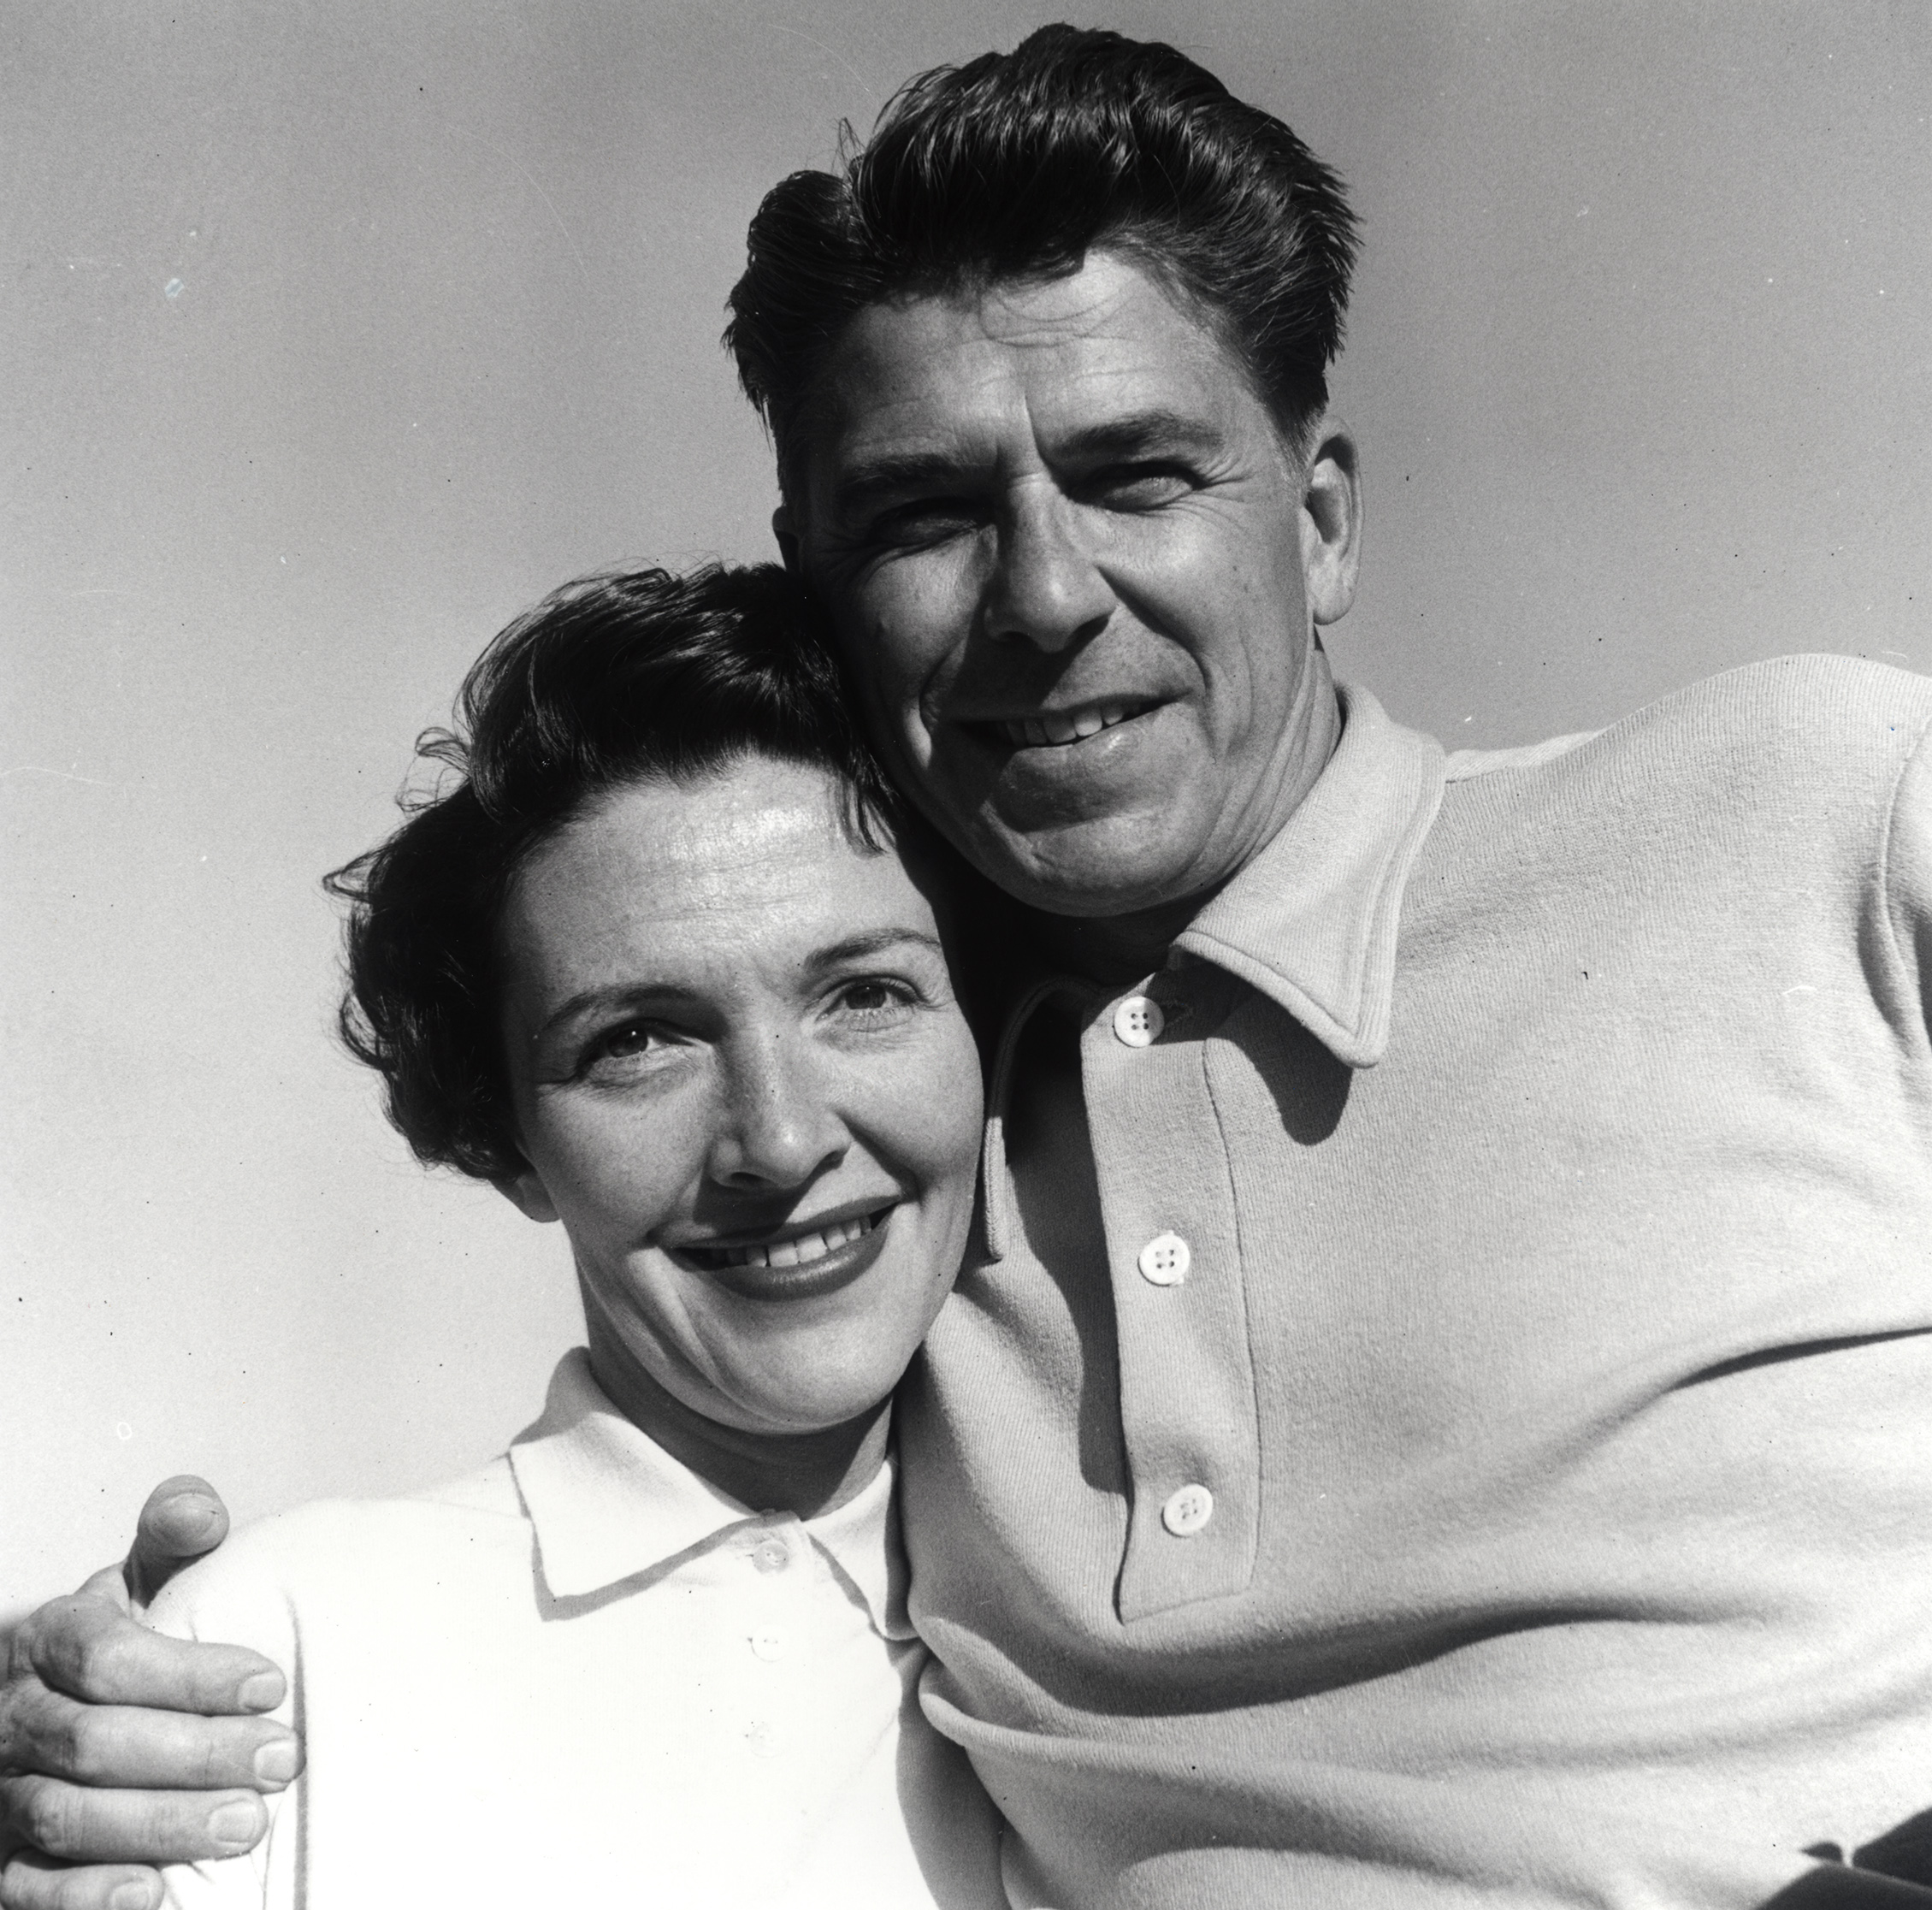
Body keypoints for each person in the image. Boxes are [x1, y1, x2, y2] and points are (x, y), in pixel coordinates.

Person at [7, 24, 1932, 1910]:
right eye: (925, 516)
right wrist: (98, 1717)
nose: (1041, 594)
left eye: (1136, 475)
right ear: (822, 580)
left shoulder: (1815, 807)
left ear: (1323, 520)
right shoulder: (887, 1115)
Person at [127, 562, 1007, 1908]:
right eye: (637, 1041)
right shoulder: (273, 1651)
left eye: (868, 994)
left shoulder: (1111, 1638)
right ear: (502, 1138)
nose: (779, 1140)